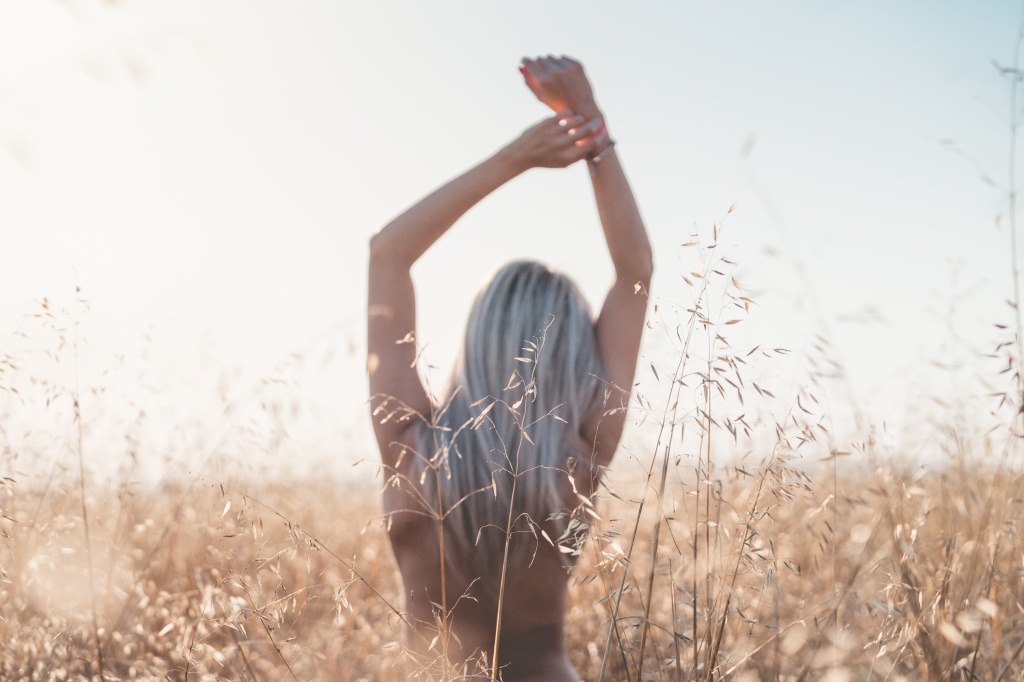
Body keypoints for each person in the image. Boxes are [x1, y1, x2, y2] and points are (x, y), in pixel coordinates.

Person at [367, 56, 653, 681]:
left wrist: (515, 158)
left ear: (477, 340)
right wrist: (593, 135)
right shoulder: (581, 452)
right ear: (576, 356)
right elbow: (634, 272)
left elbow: (388, 254)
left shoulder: (408, 444)